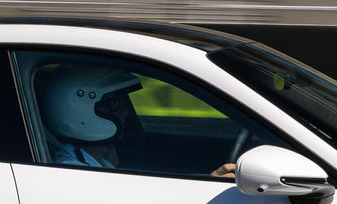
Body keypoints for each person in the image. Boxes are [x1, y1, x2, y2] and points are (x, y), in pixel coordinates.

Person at [39, 65, 236, 177]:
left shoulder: (99, 161)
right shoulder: (73, 171)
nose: (126, 111)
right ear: (76, 109)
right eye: (114, 103)